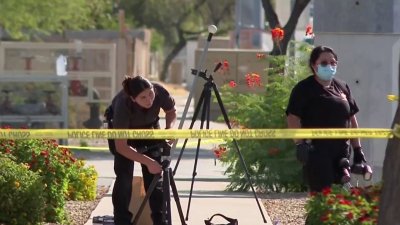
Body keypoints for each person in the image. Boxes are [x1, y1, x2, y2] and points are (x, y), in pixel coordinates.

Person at [286, 46, 367, 192]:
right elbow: (293, 118)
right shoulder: (304, 88)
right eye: (324, 63)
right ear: (313, 65)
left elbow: (352, 120)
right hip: (318, 153)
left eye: (333, 62)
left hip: (342, 153)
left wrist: (358, 150)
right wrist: (299, 143)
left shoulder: (342, 87)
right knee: (322, 198)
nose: (329, 66)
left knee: (340, 199)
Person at [106, 75, 177, 225]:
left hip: (150, 128)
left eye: (150, 94)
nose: (149, 100)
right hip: (124, 136)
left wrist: (170, 128)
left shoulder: (159, 91)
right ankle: (122, 221)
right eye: (143, 97)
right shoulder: (122, 104)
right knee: (124, 177)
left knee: (156, 176)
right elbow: (121, 147)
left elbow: (171, 111)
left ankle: (160, 220)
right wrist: (147, 161)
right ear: (133, 99)